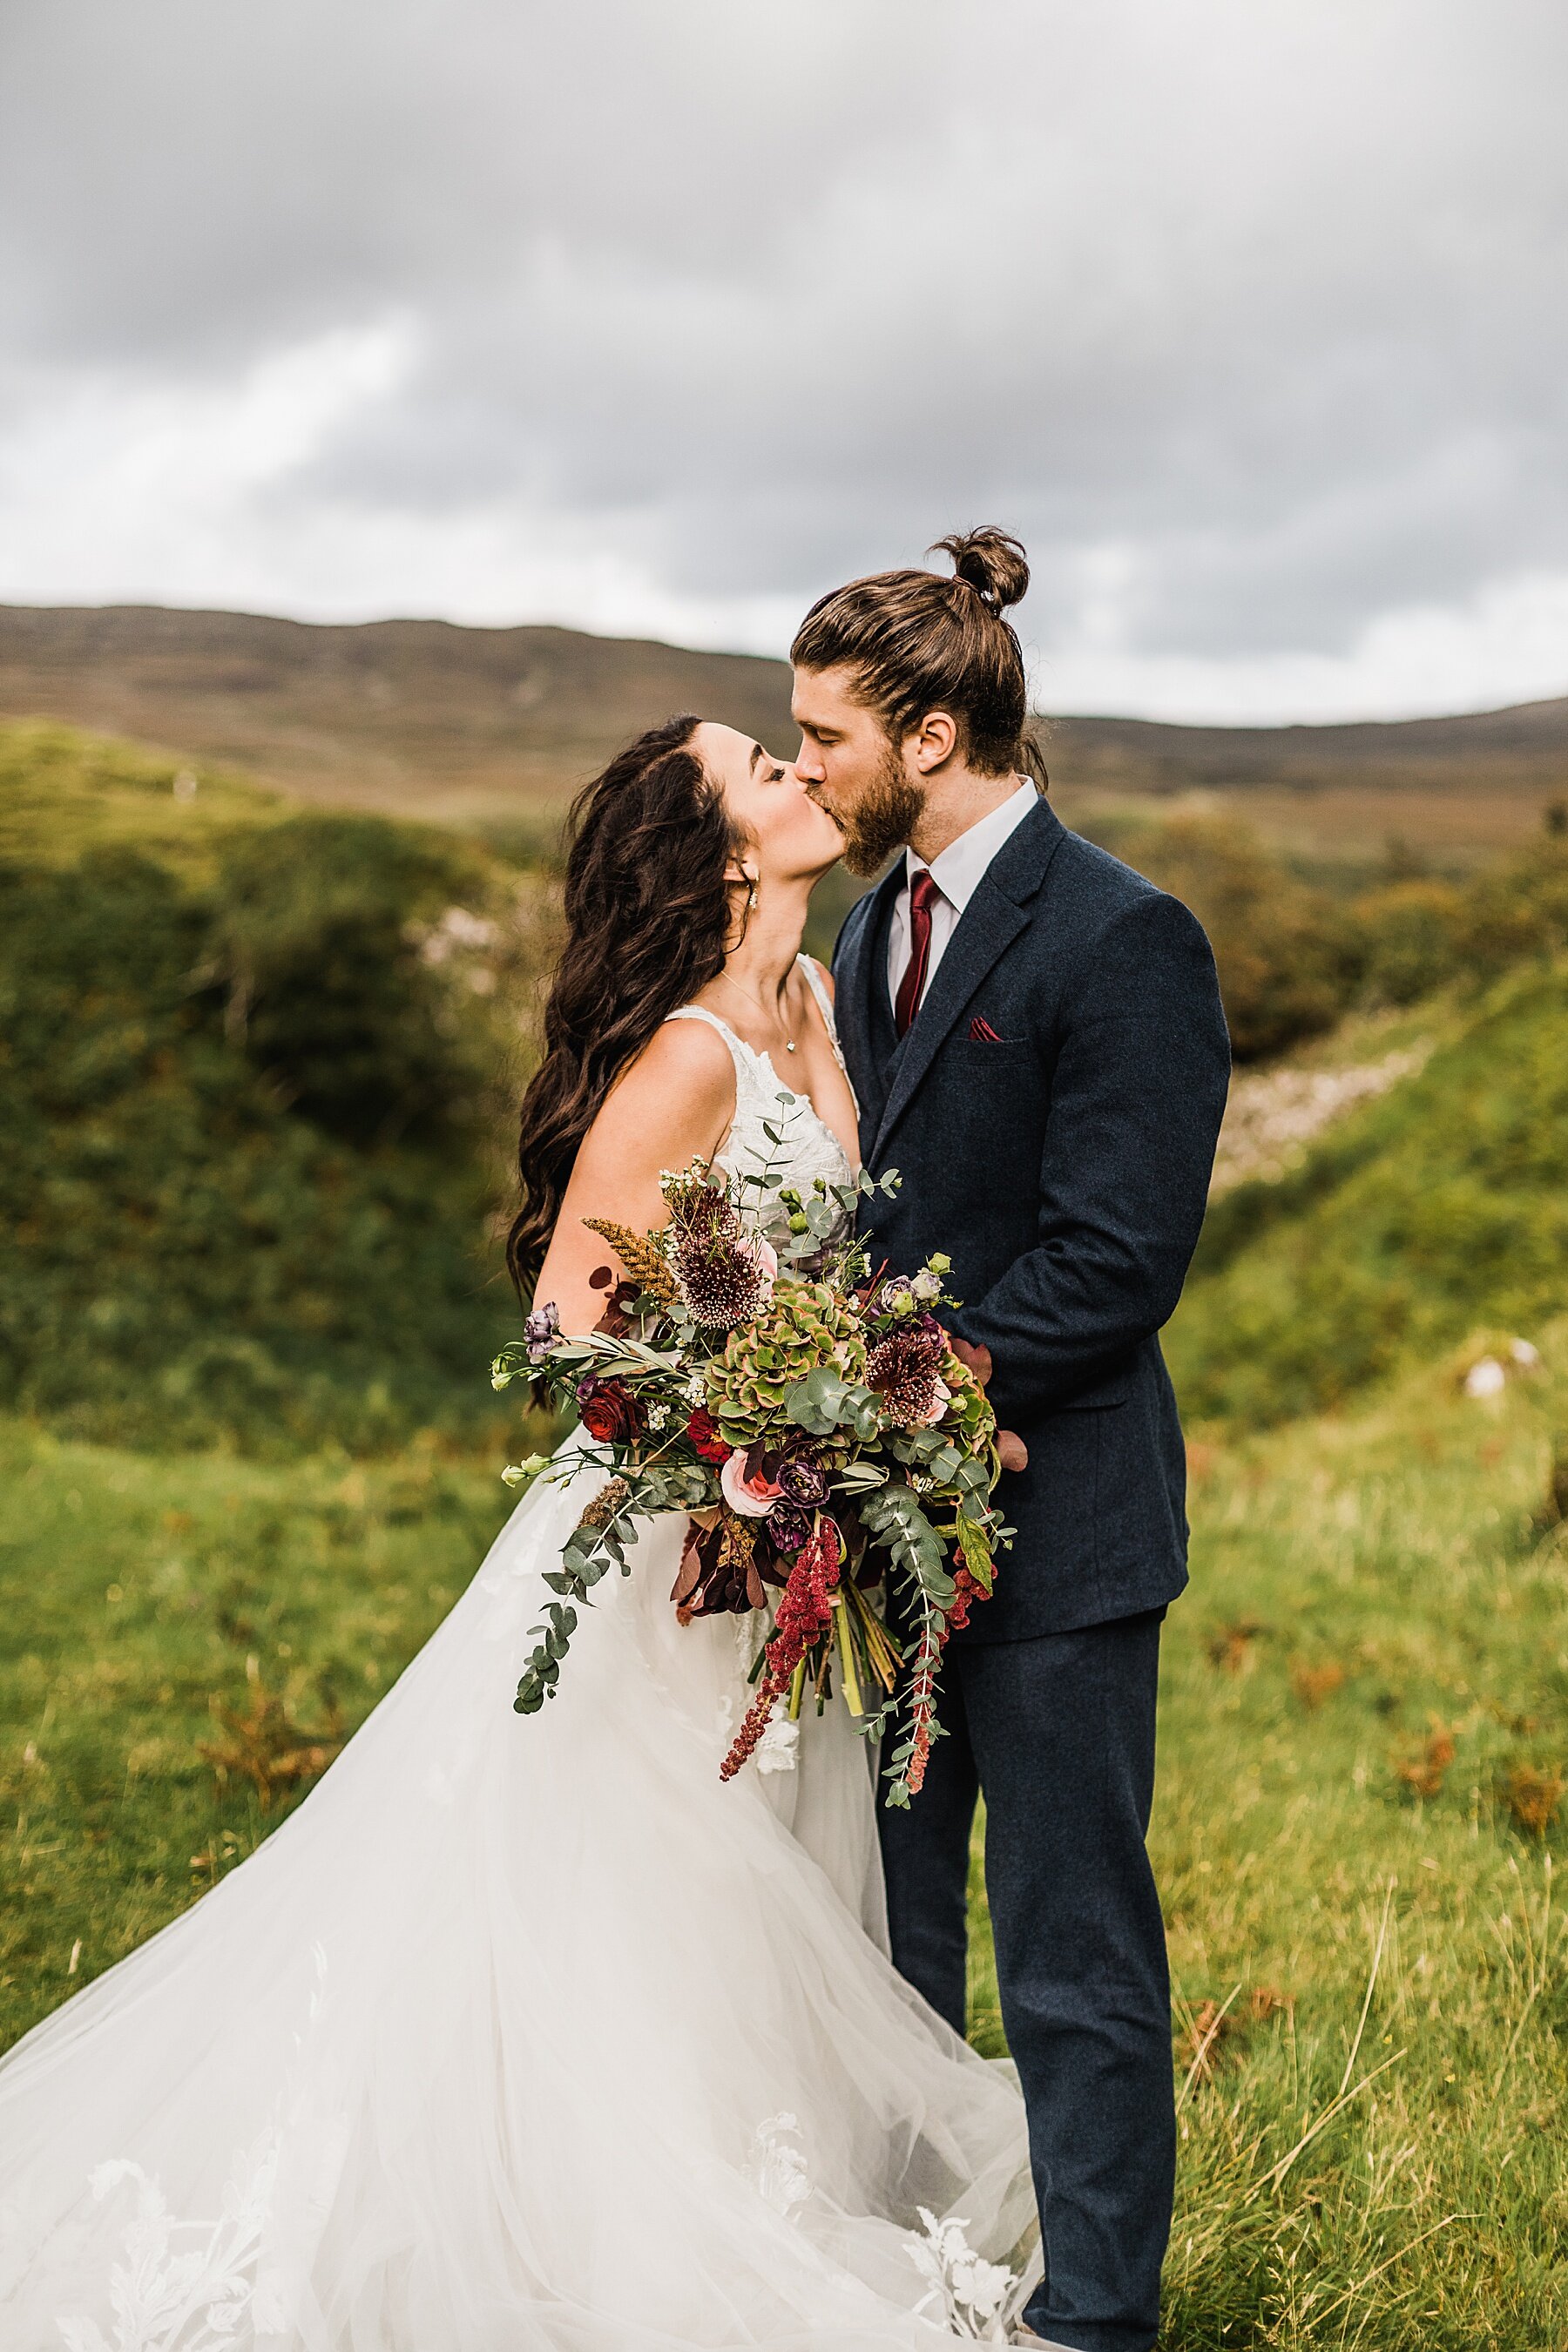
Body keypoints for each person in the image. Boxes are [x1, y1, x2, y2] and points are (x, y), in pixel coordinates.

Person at [0, 713, 1039, 2349]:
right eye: (763, 767)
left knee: (759, 1905)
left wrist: (836, 1441)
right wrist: (733, 1448)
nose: (796, 775)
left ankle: (746, 2193)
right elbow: (570, 1319)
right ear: (714, 851)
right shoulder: (693, 1051)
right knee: (640, 1905)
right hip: (660, 1560)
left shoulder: (825, 1001)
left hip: (789, 1556)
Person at [793, 530, 1231, 2352]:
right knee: (889, 1954)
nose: (805, 765)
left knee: (1073, 1959)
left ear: (943, 728)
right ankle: (929, 2290)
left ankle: (1097, 2321)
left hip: (1059, 1548)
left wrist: (881, 1398)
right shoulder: (863, 928)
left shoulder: (1127, 937)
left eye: (827, 734)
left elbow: (1115, 1264)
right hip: (887, 1561)